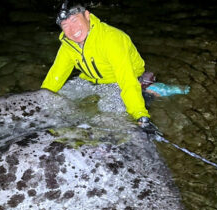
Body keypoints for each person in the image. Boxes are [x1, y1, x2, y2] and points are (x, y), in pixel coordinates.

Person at [41, 0, 158, 133]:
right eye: (65, 25)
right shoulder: (68, 46)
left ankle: (147, 92)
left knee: (106, 120)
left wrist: (141, 116)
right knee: (55, 102)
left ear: (87, 15)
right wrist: (39, 102)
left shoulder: (112, 39)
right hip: (90, 80)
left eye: (74, 20)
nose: (72, 30)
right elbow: (55, 77)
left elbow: (127, 81)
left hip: (118, 81)